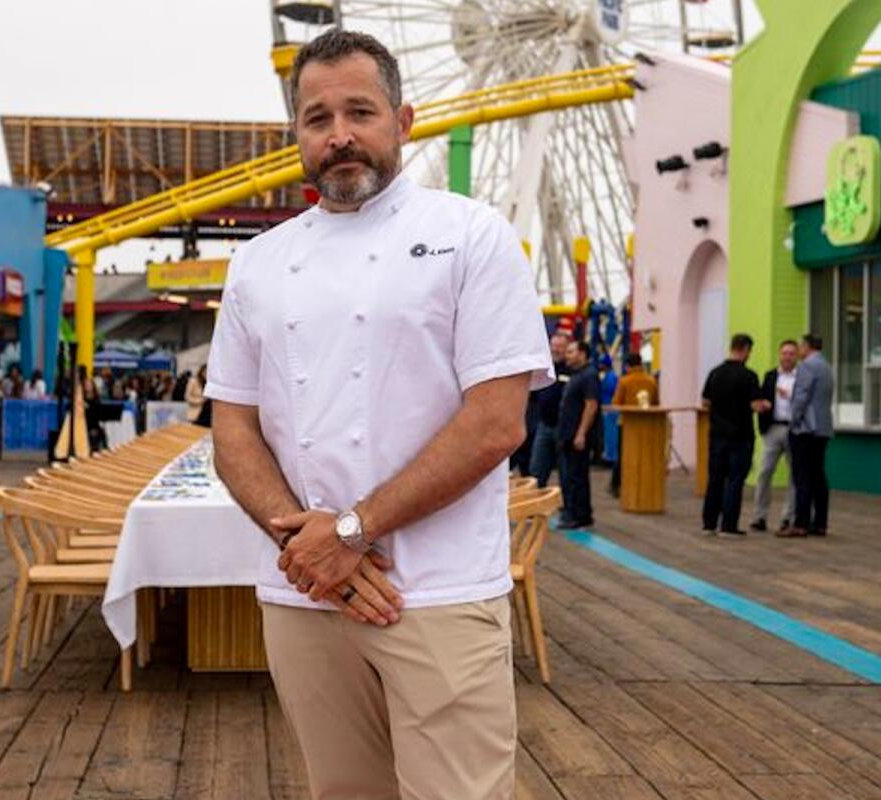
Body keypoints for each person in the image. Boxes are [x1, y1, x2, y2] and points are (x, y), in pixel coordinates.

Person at [205, 29, 552, 799]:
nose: (339, 136)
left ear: (405, 119)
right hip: (305, 595)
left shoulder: (473, 237)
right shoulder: (257, 263)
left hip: (440, 592)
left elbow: (496, 421)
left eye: (360, 111)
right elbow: (232, 428)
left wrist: (351, 532)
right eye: (317, 118)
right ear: (295, 135)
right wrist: (307, 547)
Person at [701, 333, 766, 537]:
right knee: (735, 480)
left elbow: (705, 402)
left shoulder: (715, 373)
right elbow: (755, 405)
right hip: (741, 435)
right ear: (745, 349)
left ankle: (709, 524)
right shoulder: (749, 376)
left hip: (717, 434)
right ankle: (729, 525)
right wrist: (766, 405)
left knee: (715, 479)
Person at [781, 334, 834, 538]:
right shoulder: (827, 366)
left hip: (805, 428)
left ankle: (800, 523)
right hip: (822, 427)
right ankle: (820, 523)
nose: (799, 351)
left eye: (801, 346)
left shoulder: (806, 366)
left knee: (802, 476)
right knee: (818, 475)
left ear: (807, 347)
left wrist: (793, 420)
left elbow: (802, 396)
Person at [750, 340, 799, 532]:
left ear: (796, 357)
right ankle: (759, 516)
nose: (787, 357)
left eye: (791, 353)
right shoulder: (770, 376)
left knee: (794, 475)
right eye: (784, 353)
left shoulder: (802, 377)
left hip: (795, 429)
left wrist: (789, 396)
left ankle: (788, 517)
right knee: (764, 472)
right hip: (773, 429)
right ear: (779, 355)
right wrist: (763, 406)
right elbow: (761, 397)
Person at [557, 339, 600, 528]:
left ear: (582, 354)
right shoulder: (577, 375)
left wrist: (581, 433)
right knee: (572, 475)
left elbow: (591, 405)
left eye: (571, 352)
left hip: (577, 436)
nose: (567, 355)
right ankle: (578, 512)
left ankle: (577, 516)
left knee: (576, 477)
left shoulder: (589, 376)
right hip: (568, 434)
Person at [609, 352, 659, 497]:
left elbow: (616, 403)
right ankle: (643, 484)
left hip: (626, 424)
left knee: (623, 455)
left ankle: (617, 485)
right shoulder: (651, 381)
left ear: (627, 366)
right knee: (644, 455)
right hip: (647, 424)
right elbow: (655, 402)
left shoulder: (624, 381)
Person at [529, 331, 571, 488]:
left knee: (566, 473)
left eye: (560, 346)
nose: (556, 350)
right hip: (544, 426)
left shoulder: (571, 370)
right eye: (554, 346)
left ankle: (568, 510)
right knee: (537, 470)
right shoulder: (544, 368)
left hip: (564, 429)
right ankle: (533, 510)